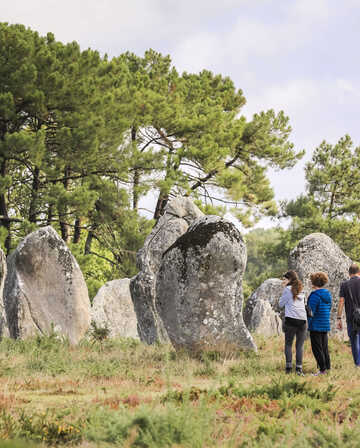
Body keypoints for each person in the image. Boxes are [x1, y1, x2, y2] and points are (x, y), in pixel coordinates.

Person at [279, 270, 307, 375]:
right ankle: (299, 369)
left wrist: (283, 290)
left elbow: (280, 304)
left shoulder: (287, 289)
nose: (283, 280)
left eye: (284, 279)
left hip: (291, 319)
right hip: (303, 320)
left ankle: (289, 369)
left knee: (288, 344)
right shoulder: (301, 289)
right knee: (299, 345)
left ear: (290, 279)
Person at [307, 272, 332, 375]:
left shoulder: (314, 296)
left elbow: (310, 311)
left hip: (316, 325)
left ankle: (322, 370)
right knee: (324, 347)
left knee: (317, 348)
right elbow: (329, 308)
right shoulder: (327, 294)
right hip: (325, 324)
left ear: (314, 283)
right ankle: (327, 367)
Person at [337, 264, 360, 367]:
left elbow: (341, 301)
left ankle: (357, 364)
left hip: (351, 316)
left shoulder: (344, 284)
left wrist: (339, 318)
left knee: (354, 340)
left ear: (349, 273)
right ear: (358, 272)